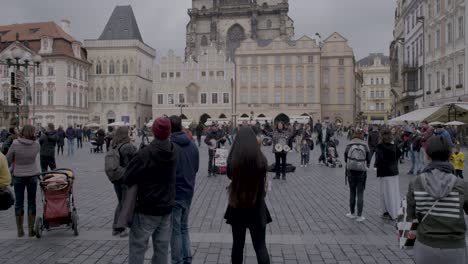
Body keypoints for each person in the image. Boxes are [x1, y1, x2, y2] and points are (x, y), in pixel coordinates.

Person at [406, 135, 468, 264]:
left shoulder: (415, 183)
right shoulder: (461, 185)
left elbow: (411, 216)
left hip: (425, 245)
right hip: (454, 248)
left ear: (427, 155)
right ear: (450, 155)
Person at [123, 117, 176, 264]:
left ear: (153, 131)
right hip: (166, 209)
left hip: (147, 209)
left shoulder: (145, 153)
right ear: (169, 132)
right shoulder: (173, 151)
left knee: (138, 247)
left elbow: (128, 178)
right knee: (162, 249)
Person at [224, 127, 271, 264]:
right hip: (257, 205)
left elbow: (229, 175)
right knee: (260, 246)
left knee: (237, 246)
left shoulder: (233, 161)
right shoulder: (261, 160)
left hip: (237, 205)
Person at [169, 115, 199, 264]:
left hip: (175, 193)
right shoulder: (192, 144)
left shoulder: (170, 146)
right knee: (184, 227)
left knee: (175, 230)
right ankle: (187, 258)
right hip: (189, 191)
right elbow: (196, 167)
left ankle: (177, 261)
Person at [6, 125, 40, 237]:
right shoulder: (36, 144)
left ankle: (20, 230)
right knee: (32, 202)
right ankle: (31, 230)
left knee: (19, 203)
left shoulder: (15, 143)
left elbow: (8, 159)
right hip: (32, 175)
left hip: (18, 175)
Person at [110, 126, 137, 237]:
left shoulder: (114, 145)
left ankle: (116, 227)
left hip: (117, 178)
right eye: (129, 133)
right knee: (126, 203)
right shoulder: (128, 147)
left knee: (121, 201)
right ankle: (121, 228)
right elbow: (138, 159)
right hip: (126, 178)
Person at [344, 130, 371, 222]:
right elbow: (368, 158)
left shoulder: (349, 144)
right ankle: (359, 215)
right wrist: (366, 165)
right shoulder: (365, 145)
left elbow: (345, 157)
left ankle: (352, 213)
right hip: (361, 171)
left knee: (352, 192)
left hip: (351, 171)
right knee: (360, 193)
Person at [375, 128, 401, 220]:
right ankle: (395, 210)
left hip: (384, 172)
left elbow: (379, 160)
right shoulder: (394, 145)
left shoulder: (380, 146)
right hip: (394, 171)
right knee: (394, 192)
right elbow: (399, 154)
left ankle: (386, 211)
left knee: (385, 193)